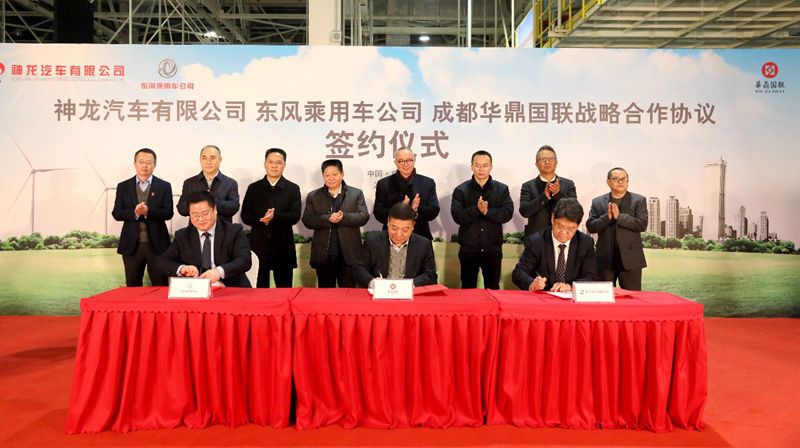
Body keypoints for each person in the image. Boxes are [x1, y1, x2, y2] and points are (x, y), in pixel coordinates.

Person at [158, 190, 252, 287]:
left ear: (215, 210)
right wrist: (182, 268)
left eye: (205, 214)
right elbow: (163, 261)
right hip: (195, 288)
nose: (201, 219)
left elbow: (244, 260)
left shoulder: (233, 231)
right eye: (195, 215)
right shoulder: (183, 235)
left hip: (230, 286)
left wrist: (219, 272)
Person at [451, 150, 514, 290]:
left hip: (493, 249)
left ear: (491, 167)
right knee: (468, 288)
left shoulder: (502, 189)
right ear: (471, 166)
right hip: (468, 250)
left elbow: (507, 213)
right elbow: (457, 216)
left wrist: (487, 212)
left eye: (485, 165)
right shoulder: (461, 190)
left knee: (493, 288)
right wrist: (476, 209)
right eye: (477, 165)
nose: (481, 169)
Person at [301, 159, 369, 287]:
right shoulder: (314, 196)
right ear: (323, 176)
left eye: (335, 174)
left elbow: (364, 216)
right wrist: (327, 219)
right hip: (324, 255)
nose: (331, 178)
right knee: (326, 294)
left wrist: (344, 217)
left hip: (349, 255)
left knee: (348, 293)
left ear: (342, 174)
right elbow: (307, 220)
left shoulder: (356, 194)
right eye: (327, 175)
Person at [240, 148, 302, 288]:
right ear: (265, 164)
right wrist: (262, 220)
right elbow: (245, 216)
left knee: (284, 289)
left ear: (284, 165)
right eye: (271, 162)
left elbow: (295, 216)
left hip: (283, 246)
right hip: (259, 245)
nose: (274, 166)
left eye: (279, 162)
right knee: (259, 289)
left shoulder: (292, 188)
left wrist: (275, 217)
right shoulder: (253, 188)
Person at [112, 148, 173, 286]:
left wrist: (148, 212)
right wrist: (134, 212)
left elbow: (168, 213)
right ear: (135, 163)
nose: (145, 166)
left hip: (158, 245)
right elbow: (117, 213)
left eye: (149, 162)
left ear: (155, 165)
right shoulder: (123, 186)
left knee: (161, 285)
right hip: (131, 246)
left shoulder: (164, 186)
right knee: (132, 285)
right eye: (141, 162)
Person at [512, 198, 597, 292]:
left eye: (570, 228)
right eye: (559, 226)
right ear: (552, 219)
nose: (564, 232)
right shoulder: (536, 241)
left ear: (578, 226)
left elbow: (591, 276)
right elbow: (519, 272)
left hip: (571, 297)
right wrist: (532, 284)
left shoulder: (585, 243)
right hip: (543, 295)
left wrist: (570, 286)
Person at [586, 167, 648, 290]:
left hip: (631, 259)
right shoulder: (598, 202)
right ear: (608, 182)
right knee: (603, 297)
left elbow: (642, 224)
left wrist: (619, 217)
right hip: (605, 259)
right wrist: (607, 217)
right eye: (615, 179)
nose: (620, 182)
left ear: (627, 181)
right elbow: (591, 226)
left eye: (623, 179)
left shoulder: (639, 200)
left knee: (632, 297)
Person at [354, 202, 438, 288]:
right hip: (379, 291)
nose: (399, 234)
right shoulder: (372, 241)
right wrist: (372, 282)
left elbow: (431, 275)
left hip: (409, 292)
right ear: (388, 222)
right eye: (394, 228)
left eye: (405, 230)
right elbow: (359, 269)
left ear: (413, 226)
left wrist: (411, 284)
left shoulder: (423, 244)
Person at [373, 148, 439, 240]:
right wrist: (400, 209)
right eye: (401, 161)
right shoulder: (384, 184)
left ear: (414, 161)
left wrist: (416, 210)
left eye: (409, 160)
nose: (405, 164)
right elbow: (378, 213)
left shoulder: (427, 183)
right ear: (395, 163)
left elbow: (434, 210)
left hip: (421, 236)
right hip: (392, 236)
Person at [519, 145, 577, 237]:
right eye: (543, 159)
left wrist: (558, 194)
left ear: (556, 163)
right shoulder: (528, 186)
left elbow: (575, 210)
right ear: (536, 164)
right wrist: (544, 197)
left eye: (550, 159)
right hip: (536, 238)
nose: (547, 162)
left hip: (562, 236)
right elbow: (524, 212)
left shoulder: (568, 184)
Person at [176, 145, 240, 222]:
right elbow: (181, 208)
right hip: (197, 228)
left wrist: (211, 201)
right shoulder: (189, 183)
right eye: (204, 158)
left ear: (220, 160)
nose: (208, 162)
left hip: (223, 228)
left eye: (212, 158)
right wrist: (199, 204)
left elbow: (233, 207)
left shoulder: (230, 183)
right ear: (200, 160)